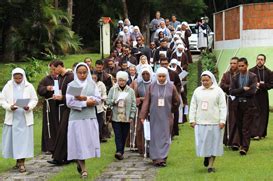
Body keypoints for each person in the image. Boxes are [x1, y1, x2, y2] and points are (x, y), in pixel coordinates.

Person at [139, 67, 180, 167]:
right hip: (154, 115)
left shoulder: (171, 86)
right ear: (156, 76)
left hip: (166, 116)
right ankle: (155, 157)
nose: (161, 78)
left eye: (163, 76)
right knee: (155, 137)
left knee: (165, 136)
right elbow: (147, 101)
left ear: (167, 76)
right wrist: (143, 115)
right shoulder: (152, 86)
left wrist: (172, 110)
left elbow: (177, 101)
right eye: (159, 76)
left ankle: (163, 158)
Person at [66, 63, 101, 178]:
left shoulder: (92, 84)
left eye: (84, 72)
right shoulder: (72, 85)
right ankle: (84, 169)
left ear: (88, 72)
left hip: (90, 117)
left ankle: (80, 163)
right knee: (79, 143)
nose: (82, 75)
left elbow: (98, 99)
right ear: (76, 73)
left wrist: (85, 98)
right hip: (76, 118)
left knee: (88, 143)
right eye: (80, 72)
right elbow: (70, 102)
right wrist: (86, 103)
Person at [1, 68, 38, 173]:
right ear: (12, 77)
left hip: (24, 117)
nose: (17, 80)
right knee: (15, 141)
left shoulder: (29, 86)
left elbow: (34, 99)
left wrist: (29, 106)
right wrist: (9, 106)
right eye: (15, 78)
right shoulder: (8, 86)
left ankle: (22, 163)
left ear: (23, 77)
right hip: (13, 117)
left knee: (23, 141)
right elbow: (2, 100)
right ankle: (18, 161)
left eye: (20, 78)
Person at [189, 71, 227, 173]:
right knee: (203, 143)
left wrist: (222, 120)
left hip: (215, 122)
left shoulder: (218, 91)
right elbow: (193, 106)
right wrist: (192, 120)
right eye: (203, 80)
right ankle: (206, 156)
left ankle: (210, 166)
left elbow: (223, 107)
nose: (205, 82)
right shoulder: (197, 91)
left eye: (207, 80)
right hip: (201, 122)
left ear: (211, 80)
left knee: (214, 144)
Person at [48, 60, 74, 165]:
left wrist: (62, 97)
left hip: (70, 108)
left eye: (54, 69)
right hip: (62, 108)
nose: (53, 71)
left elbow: (73, 95)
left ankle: (61, 157)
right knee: (62, 132)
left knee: (63, 132)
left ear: (60, 66)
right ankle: (62, 157)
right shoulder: (60, 78)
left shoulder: (71, 77)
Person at [106, 71, 137, 160]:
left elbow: (133, 104)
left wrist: (131, 115)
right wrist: (114, 101)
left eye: (123, 80)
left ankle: (121, 151)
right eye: (120, 80)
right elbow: (108, 101)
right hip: (116, 116)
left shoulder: (130, 91)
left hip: (126, 116)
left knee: (124, 135)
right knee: (118, 134)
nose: (121, 82)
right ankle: (119, 151)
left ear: (126, 80)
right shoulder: (113, 89)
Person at [230, 57, 257, 155]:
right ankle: (242, 144)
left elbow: (253, 91)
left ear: (247, 65)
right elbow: (232, 91)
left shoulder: (252, 76)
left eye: (242, 66)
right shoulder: (235, 77)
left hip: (249, 105)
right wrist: (242, 89)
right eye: (239, 66)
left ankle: (244, 148)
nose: (240, 68)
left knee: (246, 127)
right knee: (240, 126)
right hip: (237, 105)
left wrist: (240, 92)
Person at [37, 62, 59, 154]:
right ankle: (49, 146)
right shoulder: (45, 79)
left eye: (54, 70)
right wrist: (47, 88)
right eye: (51, 70)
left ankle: (59, 145)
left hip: (59, 104)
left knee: (58, 124)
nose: (52, 72)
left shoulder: (62, 78)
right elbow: (39, 90)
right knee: (49, 125)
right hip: (49, 105)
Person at [249, 54, 273, 139]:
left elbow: (271, 84)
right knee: (255, 113)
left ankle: (261, 133)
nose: (260, 61)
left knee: (263, 113)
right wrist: (255, 85)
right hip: (254, 95)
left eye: (261, 59)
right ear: (256, 60)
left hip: (263, 95)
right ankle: (255, 133)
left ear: (264, 61)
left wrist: (261, 85)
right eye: (258, 59)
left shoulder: (269, 72)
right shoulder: (251, 71)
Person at [131, 67, 154, 155]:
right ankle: (142, 149)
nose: (145, 76)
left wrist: (147, 99)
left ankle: (151, 148)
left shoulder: (154, 84)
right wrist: (139, 99)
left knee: (152, 128)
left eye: (147, 74)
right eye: (143, 74)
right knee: (140, 128)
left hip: (152, 109)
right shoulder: (139, 85)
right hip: (141, 109)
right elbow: (134, 97)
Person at [220, 57, 240, 150]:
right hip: (229, 100)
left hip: (239, 100)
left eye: (234, 63)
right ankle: (228, 140)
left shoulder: (242, 75)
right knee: (229, 119)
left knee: (237, 119)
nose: (232, 65)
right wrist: (231, 88)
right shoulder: (226, 75)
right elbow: (222, 85)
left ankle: (236, 142)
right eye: (231, 63)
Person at [160, 57, 182, 137]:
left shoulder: (173, 73)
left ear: (168, 64)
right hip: (161, 98)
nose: (164, 65)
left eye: (166, 64)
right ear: (160, 64)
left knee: (173, 116)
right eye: (162, 64)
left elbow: (179, 84)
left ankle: (172, 132)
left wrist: (176, 93)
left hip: (172, 98)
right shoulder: (157, 74)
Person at [92, 72, 108, 142]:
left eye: (95, 78)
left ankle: (99, 137)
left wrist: (101, 98)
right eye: (92, 78)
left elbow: (105, 95)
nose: (93, 79)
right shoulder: (88, 84)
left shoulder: (101, 84)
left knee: (100, 123)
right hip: (91, 107)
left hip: (99, 107)